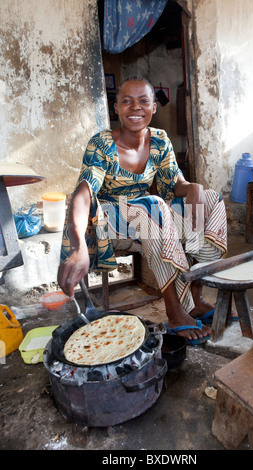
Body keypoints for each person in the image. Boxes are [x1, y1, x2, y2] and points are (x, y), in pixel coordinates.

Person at [57, 76, 228, 345]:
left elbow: (175, 183)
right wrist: (78, 247)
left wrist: (191, 187)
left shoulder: (160, 140)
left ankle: (195, 298)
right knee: (154, 205)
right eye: (127, 101)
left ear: (153, 108)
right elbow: (83, 193)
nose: (135, 108)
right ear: (116, 108)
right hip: (108, 220)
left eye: (143, 101)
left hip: (148, 218)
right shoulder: (102, 144)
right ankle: (175, 310)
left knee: (211, 198)